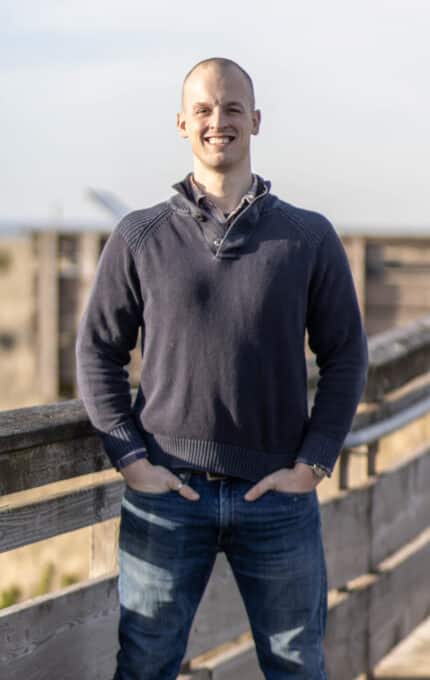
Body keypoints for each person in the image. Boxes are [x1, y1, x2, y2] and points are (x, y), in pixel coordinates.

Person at [75, 56, 368, 680]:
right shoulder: (139, 236)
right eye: (204, 109)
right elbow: (99, 350)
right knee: (146, 665)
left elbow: (346, 354)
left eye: (233, 108)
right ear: (182, 123)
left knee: (298, 668)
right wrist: (131, 458)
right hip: (168, 495)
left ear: (256, 120)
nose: (219, 121)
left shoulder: (308, 237)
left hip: (277, 496)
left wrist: (313, 463)